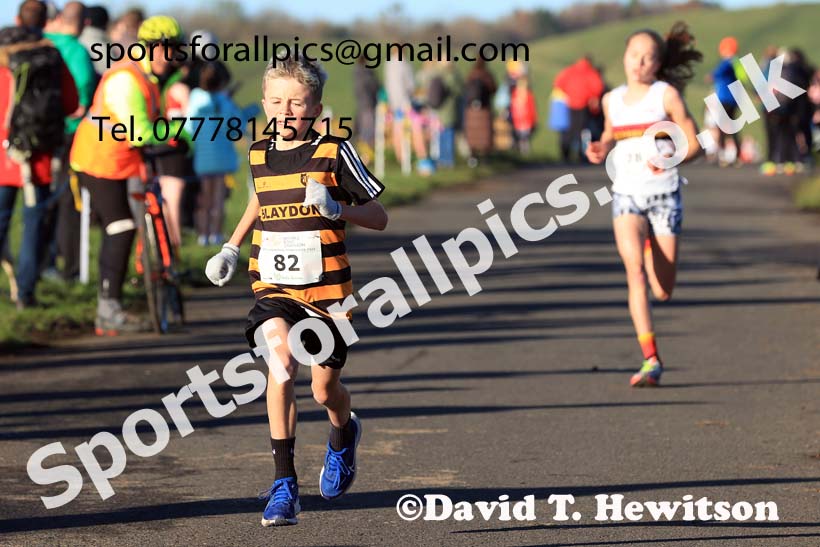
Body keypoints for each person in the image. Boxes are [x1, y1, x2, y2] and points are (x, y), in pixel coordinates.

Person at [204, 55, 388, 527]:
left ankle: (343, 434)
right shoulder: (259, 153)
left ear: (316, 107)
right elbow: (259, 198)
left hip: (328, 294)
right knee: (280, 367)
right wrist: (230, 245)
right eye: (277, 101)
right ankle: (284, 486)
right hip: (274, 285)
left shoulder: (334, 152)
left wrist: (337, 209)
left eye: (298, 103)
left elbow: (379, 217)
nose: (287, 111)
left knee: (326, 390)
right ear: (264, 103)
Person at [586, 22, 702, 387]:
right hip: (627, 195)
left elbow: (695, 143)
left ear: (658, 64)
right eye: (634, 55)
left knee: (663, 290)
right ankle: (650, 359)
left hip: (664, 195)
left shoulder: (665, 95)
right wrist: (600, 148)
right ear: (624, 58)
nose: (640, 62)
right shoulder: (612, 100)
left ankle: (653, 244)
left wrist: (671, 160)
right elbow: (609, 134)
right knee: (634, 272)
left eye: (649, 57)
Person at [70, 15, 188, 334]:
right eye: (170, 50)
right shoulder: (126, 79)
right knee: (120, 227)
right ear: (152, 49)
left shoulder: (146, 76)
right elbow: (139, 132)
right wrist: (178, 132)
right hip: (99, 159)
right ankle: (108, 309)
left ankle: (118, 301)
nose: (175, 57)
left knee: (130, 222)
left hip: (123, 159)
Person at [0, 0, 78, 310]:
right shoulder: (51, 56)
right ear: (46, 21)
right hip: (39, 157)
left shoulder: (3, 55)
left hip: (4, 154)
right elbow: (71, 102)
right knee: (33, 226)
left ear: (17, 18)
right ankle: (26, 295)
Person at [43, 1, 96, 283]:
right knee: (69, 199)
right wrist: (83, 105)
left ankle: (40, 263)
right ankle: (69, 268)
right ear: (84, 23)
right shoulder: (76, 51)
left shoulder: (41, 42)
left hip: (37, 134)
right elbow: (85, 85)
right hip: (70, 133)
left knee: (38, 199)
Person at [187, 61, 258, 245]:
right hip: (223, 159)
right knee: (218, 200)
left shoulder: (196, 102)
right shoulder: (226, 105)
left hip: (202, 159)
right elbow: (236, 129)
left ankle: (203, 235)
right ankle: (216, 235)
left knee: (204, 199)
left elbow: (189, 129)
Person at [554, 55, 604, 163]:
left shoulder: (570, 70)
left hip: (571, 104)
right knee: (584, 130)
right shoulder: (590, 72)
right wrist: (591, 96)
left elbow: (558, 83)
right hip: (584, 105)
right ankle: (582, 155)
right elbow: (598, 87)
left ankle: (565, 155)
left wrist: (569, 93)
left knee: (570, 130)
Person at [709, 37, 743, 167]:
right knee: (732, 127)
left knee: (722, 127)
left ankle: (723, 155)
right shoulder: (736, 62)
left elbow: (717, 73)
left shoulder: (728, 61)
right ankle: (737, 155)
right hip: (734, 99)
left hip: (725, 99)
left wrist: (711, 76)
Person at [463, 59, 497, 163]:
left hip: (471, 110)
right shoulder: (487, 75)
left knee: (472, 133)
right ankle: (486, 157)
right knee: (485, 133)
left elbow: (465, 88)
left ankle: (472, 155)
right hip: (485, 108)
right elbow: (494, 89)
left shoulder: (471, 74)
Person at [510, 76, 537, 155]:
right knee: (517, 138)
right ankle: (518, 152)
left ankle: (524, 153)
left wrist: (533, 120)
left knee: (524, 139)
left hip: (526, 121)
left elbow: (532, 109)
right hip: (517, 121)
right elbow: (512, 108)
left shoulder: (529, 96)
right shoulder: (514, 94)